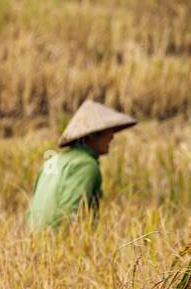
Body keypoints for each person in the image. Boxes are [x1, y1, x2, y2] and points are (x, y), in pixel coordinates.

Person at [26, 99, 136, 231]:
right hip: (57, 242)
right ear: (92, 136)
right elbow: (70, 215)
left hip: (34, 241)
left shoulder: (52, 160)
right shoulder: (86, 165)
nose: (112, 137)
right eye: (108, 131)